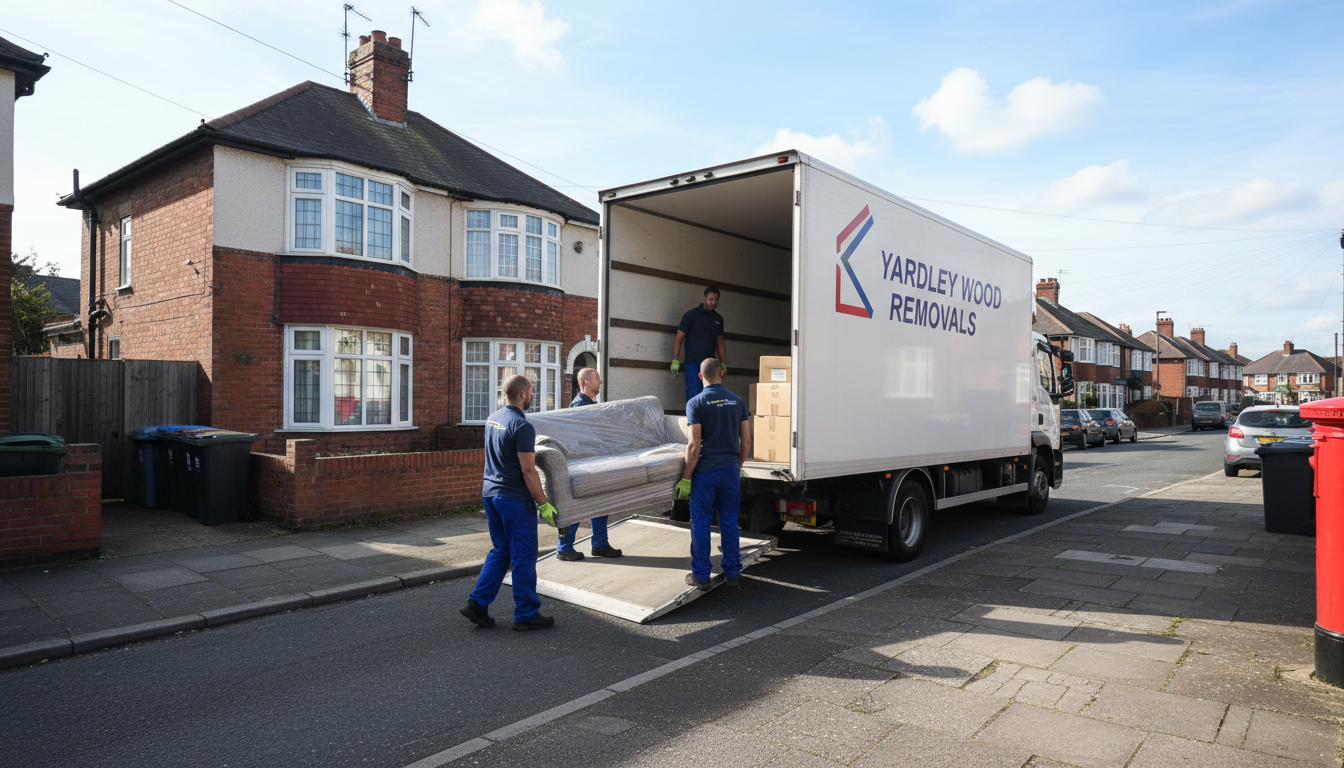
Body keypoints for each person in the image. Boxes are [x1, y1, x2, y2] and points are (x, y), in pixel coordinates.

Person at [461, 374, 560, 631]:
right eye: (532, 390)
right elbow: (528, 471)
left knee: (502, 551)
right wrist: (543, 503)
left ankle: (477, 604)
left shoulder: (493, 419)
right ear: (524, 393)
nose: (532, 395)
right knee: (523, 556)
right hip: (514, 500)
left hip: (490, 494)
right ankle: (527, 614)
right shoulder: (522, 426)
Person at [675, 358, 751, 591]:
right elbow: (746, 440)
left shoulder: (695, 403)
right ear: (722, 374)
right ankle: (732, 572)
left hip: (706, 472)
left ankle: (701, 576)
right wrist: (736, 465)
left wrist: (686, 477)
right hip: (729, 471)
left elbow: (694, 446)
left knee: (701, 522)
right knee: (729, 520)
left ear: (700, 377)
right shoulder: (737, 401)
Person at [556, 368, 623, 561]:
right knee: (579, 505)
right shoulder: (579, 407)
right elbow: (579, 439)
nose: (600, 382)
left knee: (600, 502)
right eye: (597, 379)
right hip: (583, 466)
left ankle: (600, 544)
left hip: (594, 463)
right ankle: (564, 547)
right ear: (586, 382)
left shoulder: (590, 405)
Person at [672, 286, 727, 403]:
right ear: (704, 299)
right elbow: (678, 338)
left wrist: (723, 363)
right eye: (710, 299)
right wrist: (675, 360)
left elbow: (720, 343)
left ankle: (707, 422)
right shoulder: (691, 315)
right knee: (694, 396)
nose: (713, 302)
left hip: (710, 364)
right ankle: (693, 421)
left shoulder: (718, 319)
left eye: (716, 300)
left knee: (711, 397)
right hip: (693, 363)